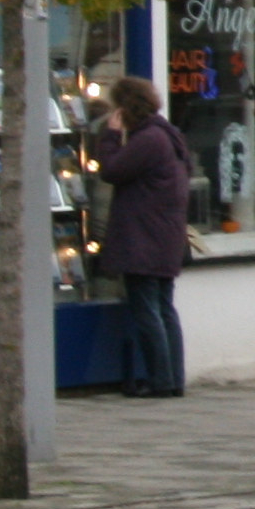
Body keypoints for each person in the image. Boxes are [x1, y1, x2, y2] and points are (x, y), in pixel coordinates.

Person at [88, 76, 189, 397]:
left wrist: (111, 136)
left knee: (148, 309)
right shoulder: (168, 135)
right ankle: (173, 380)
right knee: (163, 308)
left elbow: (112, 170)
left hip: (144, 238)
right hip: (164, 236)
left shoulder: (148, 140)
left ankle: (161, 381)